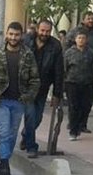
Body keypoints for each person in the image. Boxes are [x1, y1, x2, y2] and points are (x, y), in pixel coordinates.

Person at [0, 21, 40, 175]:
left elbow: (35, 79)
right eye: (11, 34)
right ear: (7, 35)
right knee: (3, 132)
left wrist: (28, 96)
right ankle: (4, 163)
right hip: (1, 100)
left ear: (21, 35)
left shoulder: (27, 54)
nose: (13, 37)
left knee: (12, 133)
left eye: (16, 35)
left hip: (19, 101)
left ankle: (5, 158)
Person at [20, 19, 64, 157]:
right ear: (37, 29)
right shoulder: (26, 41)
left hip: (43, 87)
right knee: (31, 114)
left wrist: (57, 93)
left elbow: (58, 71)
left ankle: (25, 135)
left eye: (47, 31)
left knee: (37, 117)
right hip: (27, 87)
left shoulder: (55, 46)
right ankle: (32, 146)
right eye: (42, 30)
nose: (44, 33)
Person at [65, 10, 93, 134]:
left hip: (90, 70)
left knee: (87, 104)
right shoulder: (74, 31)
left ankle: (83, 124)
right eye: (88, 18)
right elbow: (66, 44)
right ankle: (73, 125)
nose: (90, 21)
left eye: (92, 18)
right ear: (83, 19)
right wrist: (73, 54)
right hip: (73, 74)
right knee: (74, 104)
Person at [63, 31, 93, 142]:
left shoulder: (91, 53)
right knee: (73, 107)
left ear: (86, 40)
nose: (81, 40)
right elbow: (64, 69)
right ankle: (73, 130)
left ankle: (80, 124)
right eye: (79, 38)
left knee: (86, 106)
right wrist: (61, 85)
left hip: (87, 83)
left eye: (83, 38)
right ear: (75, 40)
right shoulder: (69, 53)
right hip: (72, 83)